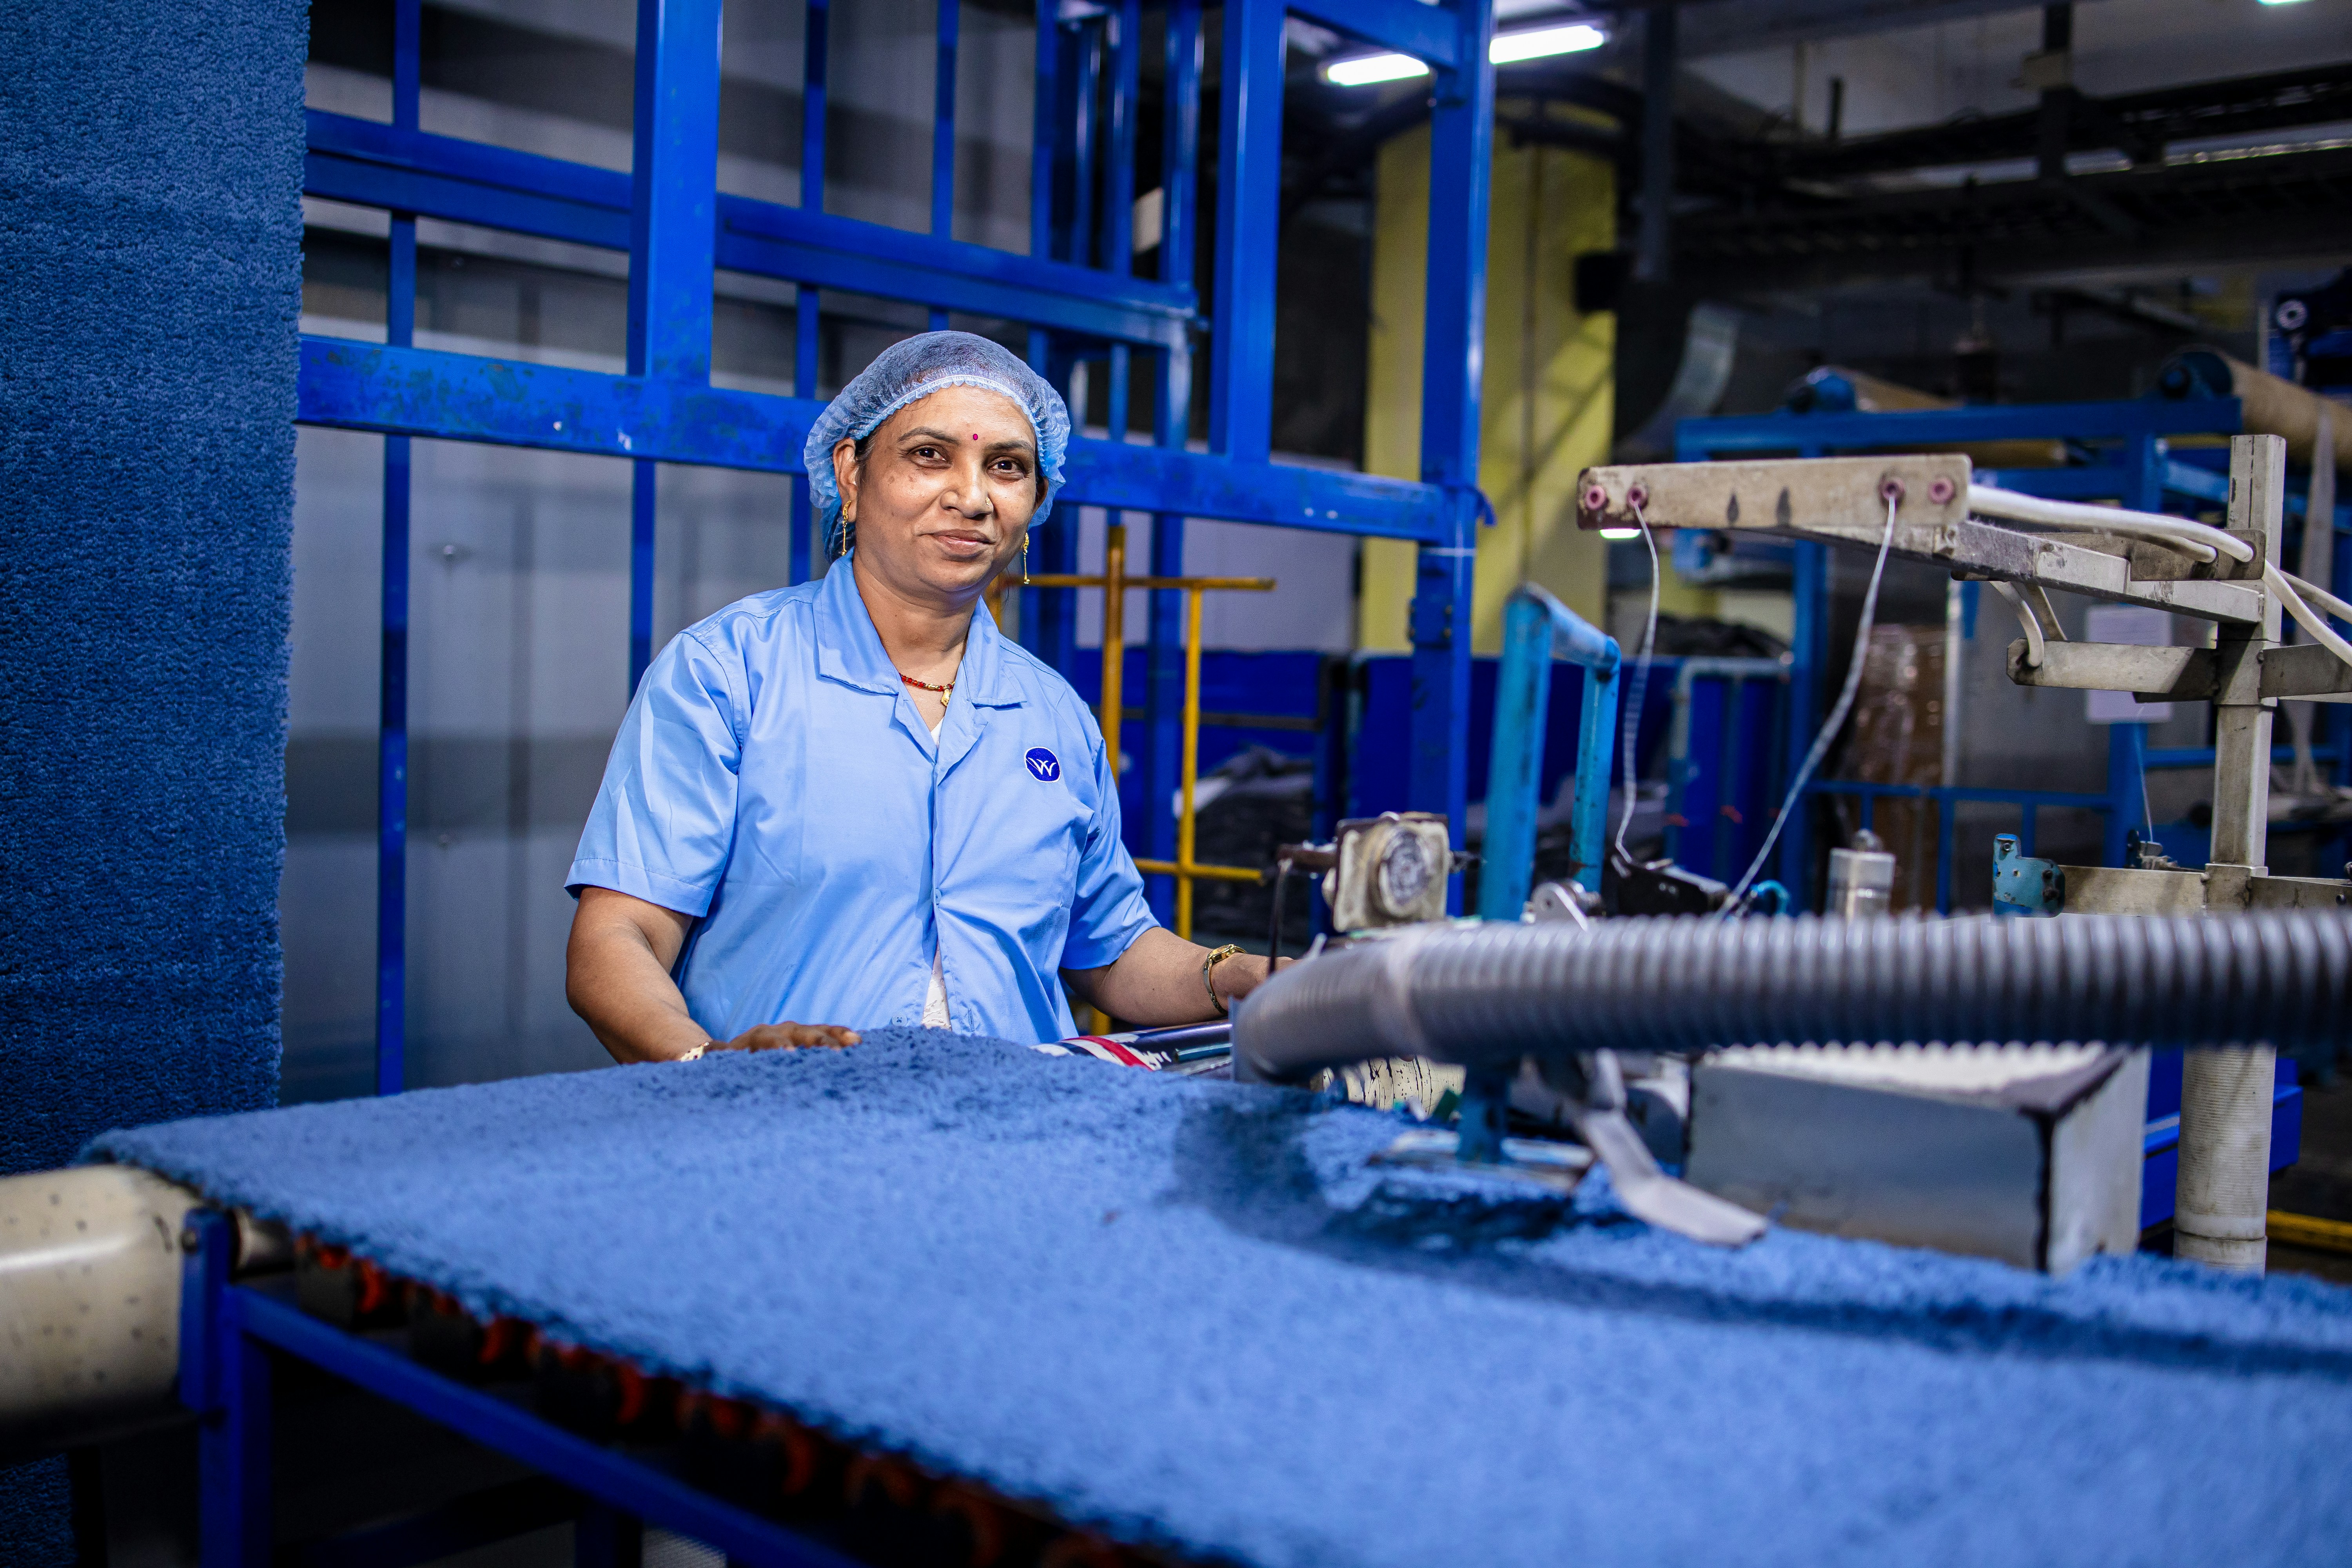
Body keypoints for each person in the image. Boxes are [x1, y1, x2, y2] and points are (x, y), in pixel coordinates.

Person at [563, 331, 1285, 1062]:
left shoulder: (1054, 715)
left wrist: (1233, 976)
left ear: (1036, 499)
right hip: (777, 1137)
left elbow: (1111, 950)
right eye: (929, 455)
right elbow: (618, 936)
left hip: (1012, 1138)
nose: (971, 497)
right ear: (850, 474)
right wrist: (704, 1065)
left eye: (1006, 466)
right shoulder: (728, 673)